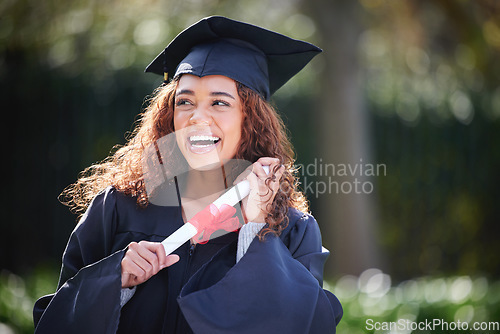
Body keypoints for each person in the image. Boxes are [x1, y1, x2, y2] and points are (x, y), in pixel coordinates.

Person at [33, 16, 343, 333]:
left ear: (249, 119)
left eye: (219, 102)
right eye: (185, 101)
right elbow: (53, 322)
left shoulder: (292, 228)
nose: (197, 117)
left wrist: (255, 232)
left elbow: (304, 325)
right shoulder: (116, 208)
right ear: (170, 116)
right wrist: (114, 282)